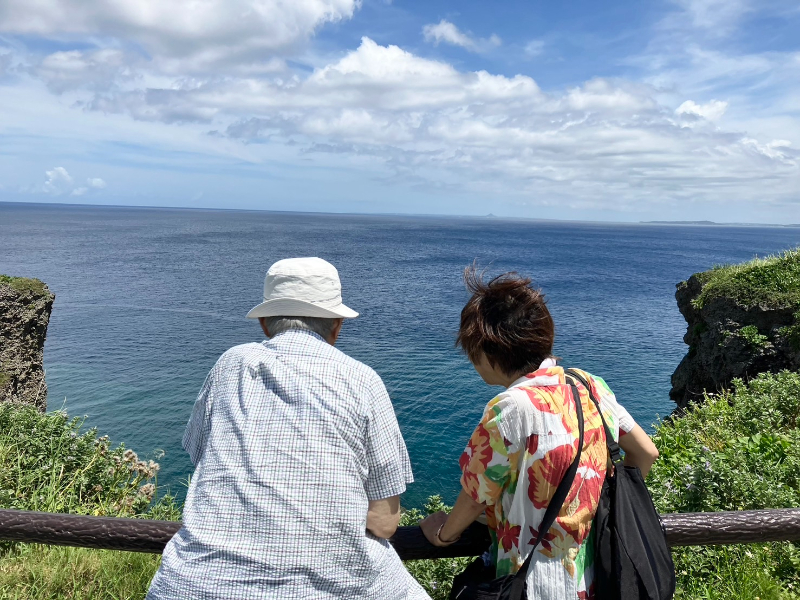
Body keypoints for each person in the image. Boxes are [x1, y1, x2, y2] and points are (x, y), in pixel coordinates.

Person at [147, 257, 430, 600]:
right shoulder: (363, 381)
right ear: (337, 325)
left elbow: (203, 459)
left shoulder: (230, 364)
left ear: (265, 323)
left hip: (190, 584)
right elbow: (384, 522)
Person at [419, 268, 660, 600]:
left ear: (487, 352)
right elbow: (645, 453)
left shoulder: (509, 408)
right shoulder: (589, 385)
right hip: (598, 576)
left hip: (534, 584)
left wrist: (442, 534)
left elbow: (476, 496)